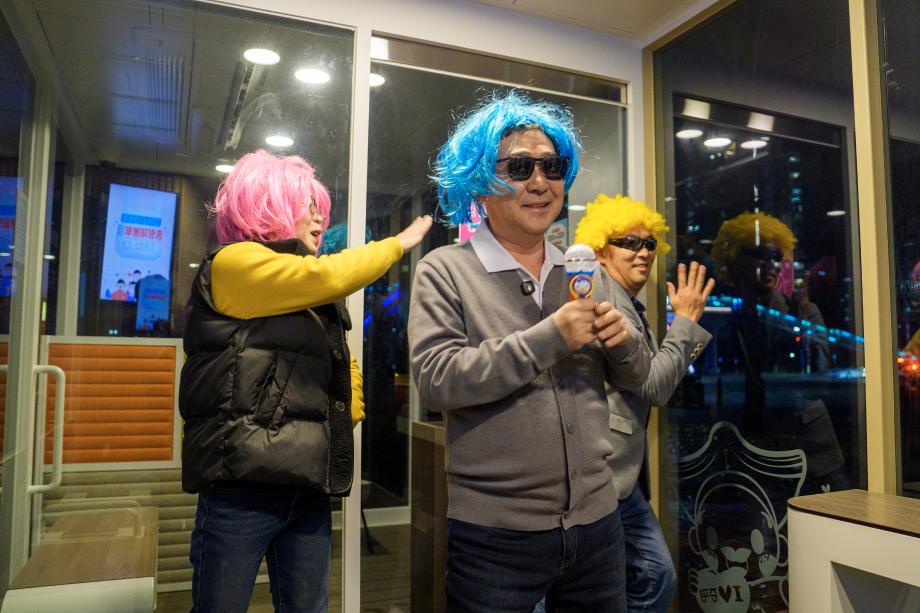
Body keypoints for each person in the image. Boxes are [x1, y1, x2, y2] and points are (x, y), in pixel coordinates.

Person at [408, 91, 651, 613]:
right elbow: (437, 380)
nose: (540, 182)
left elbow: (636, 378)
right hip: (495, 537)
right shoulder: (445, 270)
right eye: (519, 168)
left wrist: (625, 344)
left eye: (552, 166)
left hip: (599, 525)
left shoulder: (584, 271)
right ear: (479, 180)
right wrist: (551, 336)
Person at [179, 149, 431, 613]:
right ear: (267, 205)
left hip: (306, 484)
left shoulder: (307, 287)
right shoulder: (233, 263)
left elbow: (342, 364)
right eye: (307, 206)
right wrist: (398, 244)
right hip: (241, 488)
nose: (319, 218)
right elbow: (330, 274)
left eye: (320, 208)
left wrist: (346, 413)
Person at [574, 193, 714, 613]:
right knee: (652, 574)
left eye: (649, 243)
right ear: (601, 250)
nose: (643, 252)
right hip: (603, 470)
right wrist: (686, 321)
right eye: (629, 243)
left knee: (645, 576)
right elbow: (653, 385)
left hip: (619, 473)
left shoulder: (624, 298)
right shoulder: (602, 293)